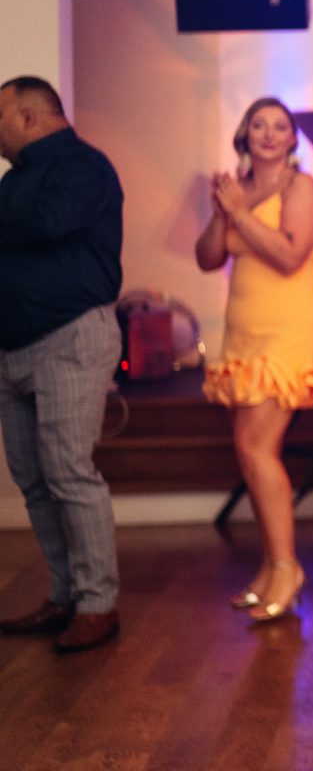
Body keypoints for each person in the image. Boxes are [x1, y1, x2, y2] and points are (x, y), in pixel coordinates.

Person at [195, 97, 313, 620]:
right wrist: (223, 213)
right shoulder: (238, 188)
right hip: (244, 332)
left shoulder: (302, 188)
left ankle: (287, 567)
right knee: (249, 451)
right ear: (245, 134)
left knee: (257, 447)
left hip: (288, 330)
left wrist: (238, 213)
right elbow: (208, 257)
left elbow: (289, 255)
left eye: (280, 126)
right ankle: (270, 567)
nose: (270, 134)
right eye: (260, 125)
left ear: (292, 139)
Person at [0, 76, 125, 653]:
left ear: (28, 117)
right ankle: (66, 593)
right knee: (32, 477)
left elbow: (47, 223)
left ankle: (98, 603)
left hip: (69, 338)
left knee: (69, 473)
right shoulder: (14, 180)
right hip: (13, 347)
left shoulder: (83, 166)